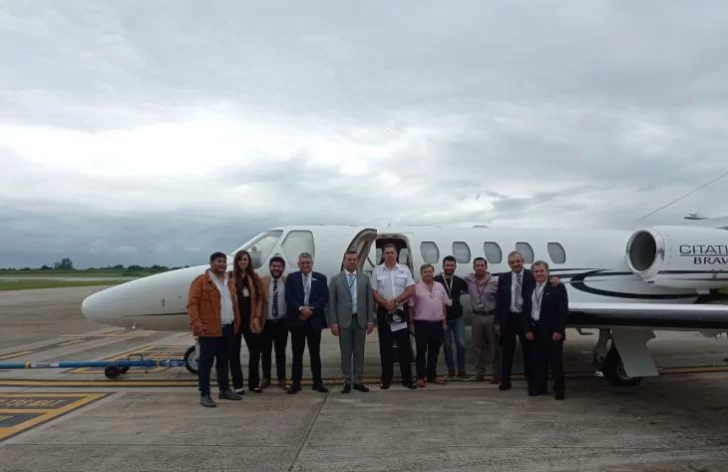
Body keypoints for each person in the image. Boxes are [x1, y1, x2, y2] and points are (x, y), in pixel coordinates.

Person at [495, 251, 560, 392]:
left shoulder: (531, 276)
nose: (515, 264)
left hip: (525, 319)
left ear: (523, 261)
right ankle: (505, 381)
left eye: (518, 261)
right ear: (509, 264)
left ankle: (531, 381)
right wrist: (497, 321)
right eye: (512, 262)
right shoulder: (504, 278)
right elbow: (499, 300)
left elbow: (544, 280)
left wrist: (555, 279)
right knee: (506, 352)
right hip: (509, 318)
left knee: (529, 352)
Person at [186, 252, 242, 407]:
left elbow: (233, 304)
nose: (222, 264)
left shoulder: (229, 281)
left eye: (224, 261)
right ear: (211, 263)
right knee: (205, 364)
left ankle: (224, 389)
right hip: (209, 329)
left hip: (228, 328)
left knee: (224, 362)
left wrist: (236, 322)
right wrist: (196, 323)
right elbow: (192, 304)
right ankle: (205, 394)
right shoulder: (201, 282)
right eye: (219, 261)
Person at [327, 250, 375, 393]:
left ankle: (358, 380)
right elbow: (332, 303)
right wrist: (333, 323)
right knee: (346, 353)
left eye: (354, 259)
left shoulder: (365, 279)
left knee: (359, 353)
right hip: (344, 322)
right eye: (349, 259)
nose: (352, 262)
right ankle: (347, 381)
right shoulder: (336, 279)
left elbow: (369, 301)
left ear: (358, 261)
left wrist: (370, 320)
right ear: (344, 261)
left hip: (360, 321)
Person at [371, 243, 417, 390]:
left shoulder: (404, 269)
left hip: (400, 311)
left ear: (396, 254)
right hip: (384, 311)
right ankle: (386, 378)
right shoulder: (377, 271)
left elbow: (411, 289)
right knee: (385, 347)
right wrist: (386, 304)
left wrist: (395, 302)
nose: (390, 255)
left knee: (404, 347)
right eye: (387, 253)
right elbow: (374, 292)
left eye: (392, 252)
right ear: (383, 255)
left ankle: (407, 379)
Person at [284, 252, 329, 394]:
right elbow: (289, 297)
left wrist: (311, 309)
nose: (305, 265)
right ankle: (296, 383)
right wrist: (301, 309)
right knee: (297, 354)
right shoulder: (292, 278)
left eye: (308, 262)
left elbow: (324, 297)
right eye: (303, 263)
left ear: (312, 263)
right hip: (297, 321)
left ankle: (317, 382)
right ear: (298, 264)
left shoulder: (321, 278)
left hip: (314, 321)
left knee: (315, 354)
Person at [524, 260, 569, 400]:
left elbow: (562, 310)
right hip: (536, 329)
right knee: (538, 361)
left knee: (555, 363)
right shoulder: (530, 286)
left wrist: (558, 330)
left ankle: (559, 390)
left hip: (552, 331)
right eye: (536, 271)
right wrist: (528, 329)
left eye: (541, 271)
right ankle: (540, 388)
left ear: (547, 272)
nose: (539, 274)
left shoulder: (557, 286)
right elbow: (526, 309)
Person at [229, 250, 264, 395]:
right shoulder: (230, 277)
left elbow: (260, 298)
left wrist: (257, 316)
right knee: (234, 353)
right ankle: (237, 384)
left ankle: (254, 383)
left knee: (255, 351)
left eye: (245, 259)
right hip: (236, 320)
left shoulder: (254, 278)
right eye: (240, 259)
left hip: (250, 320)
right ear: (236, 262)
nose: (243, 262)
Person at [409, 264, 448, 387]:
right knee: (421, 351)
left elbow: (444, 304)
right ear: (421, 274)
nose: (428, 274)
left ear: (433, 273)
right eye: (425, 272)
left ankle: (432, 375)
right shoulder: (416, 287)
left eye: (430, 271)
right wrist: (411, 324)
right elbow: (410, 306)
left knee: (434, 351)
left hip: (437, 323)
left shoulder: (440, 286)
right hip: (421, 323)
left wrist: (444, 321)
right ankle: (420, 376)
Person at [464, 257, 500, 384]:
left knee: (494, 346)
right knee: (477, 346)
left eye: (482, 265)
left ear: (486, 267)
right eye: (477, 265)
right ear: (473, 267)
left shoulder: (494, 282)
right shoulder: (469, 279)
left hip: (491, 316)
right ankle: (479, 373)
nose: (479, 267)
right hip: (476, 317)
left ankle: (496, 374)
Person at [434, 256, 470, 380]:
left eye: (452, 266)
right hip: (444, 318)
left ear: (455, 267)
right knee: (447, 345)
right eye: (447, 265)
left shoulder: (460, 281)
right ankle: (450, 370)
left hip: (458, 317)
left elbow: (467, 290)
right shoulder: (437, 280)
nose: (450, 268)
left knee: (461, 344)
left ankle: (461, 370)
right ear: (443, 266)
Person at [259, 256, 289, 390]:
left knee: (280, 352)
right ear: (270, 267)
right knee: (265, 352)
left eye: (279, 266)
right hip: (266, 322)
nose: (276, 268)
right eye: (274, 266)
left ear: (283, 268)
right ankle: (266, 378)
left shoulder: (287, 281)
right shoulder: (262, 281)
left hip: (282, 322)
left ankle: (282, 379)